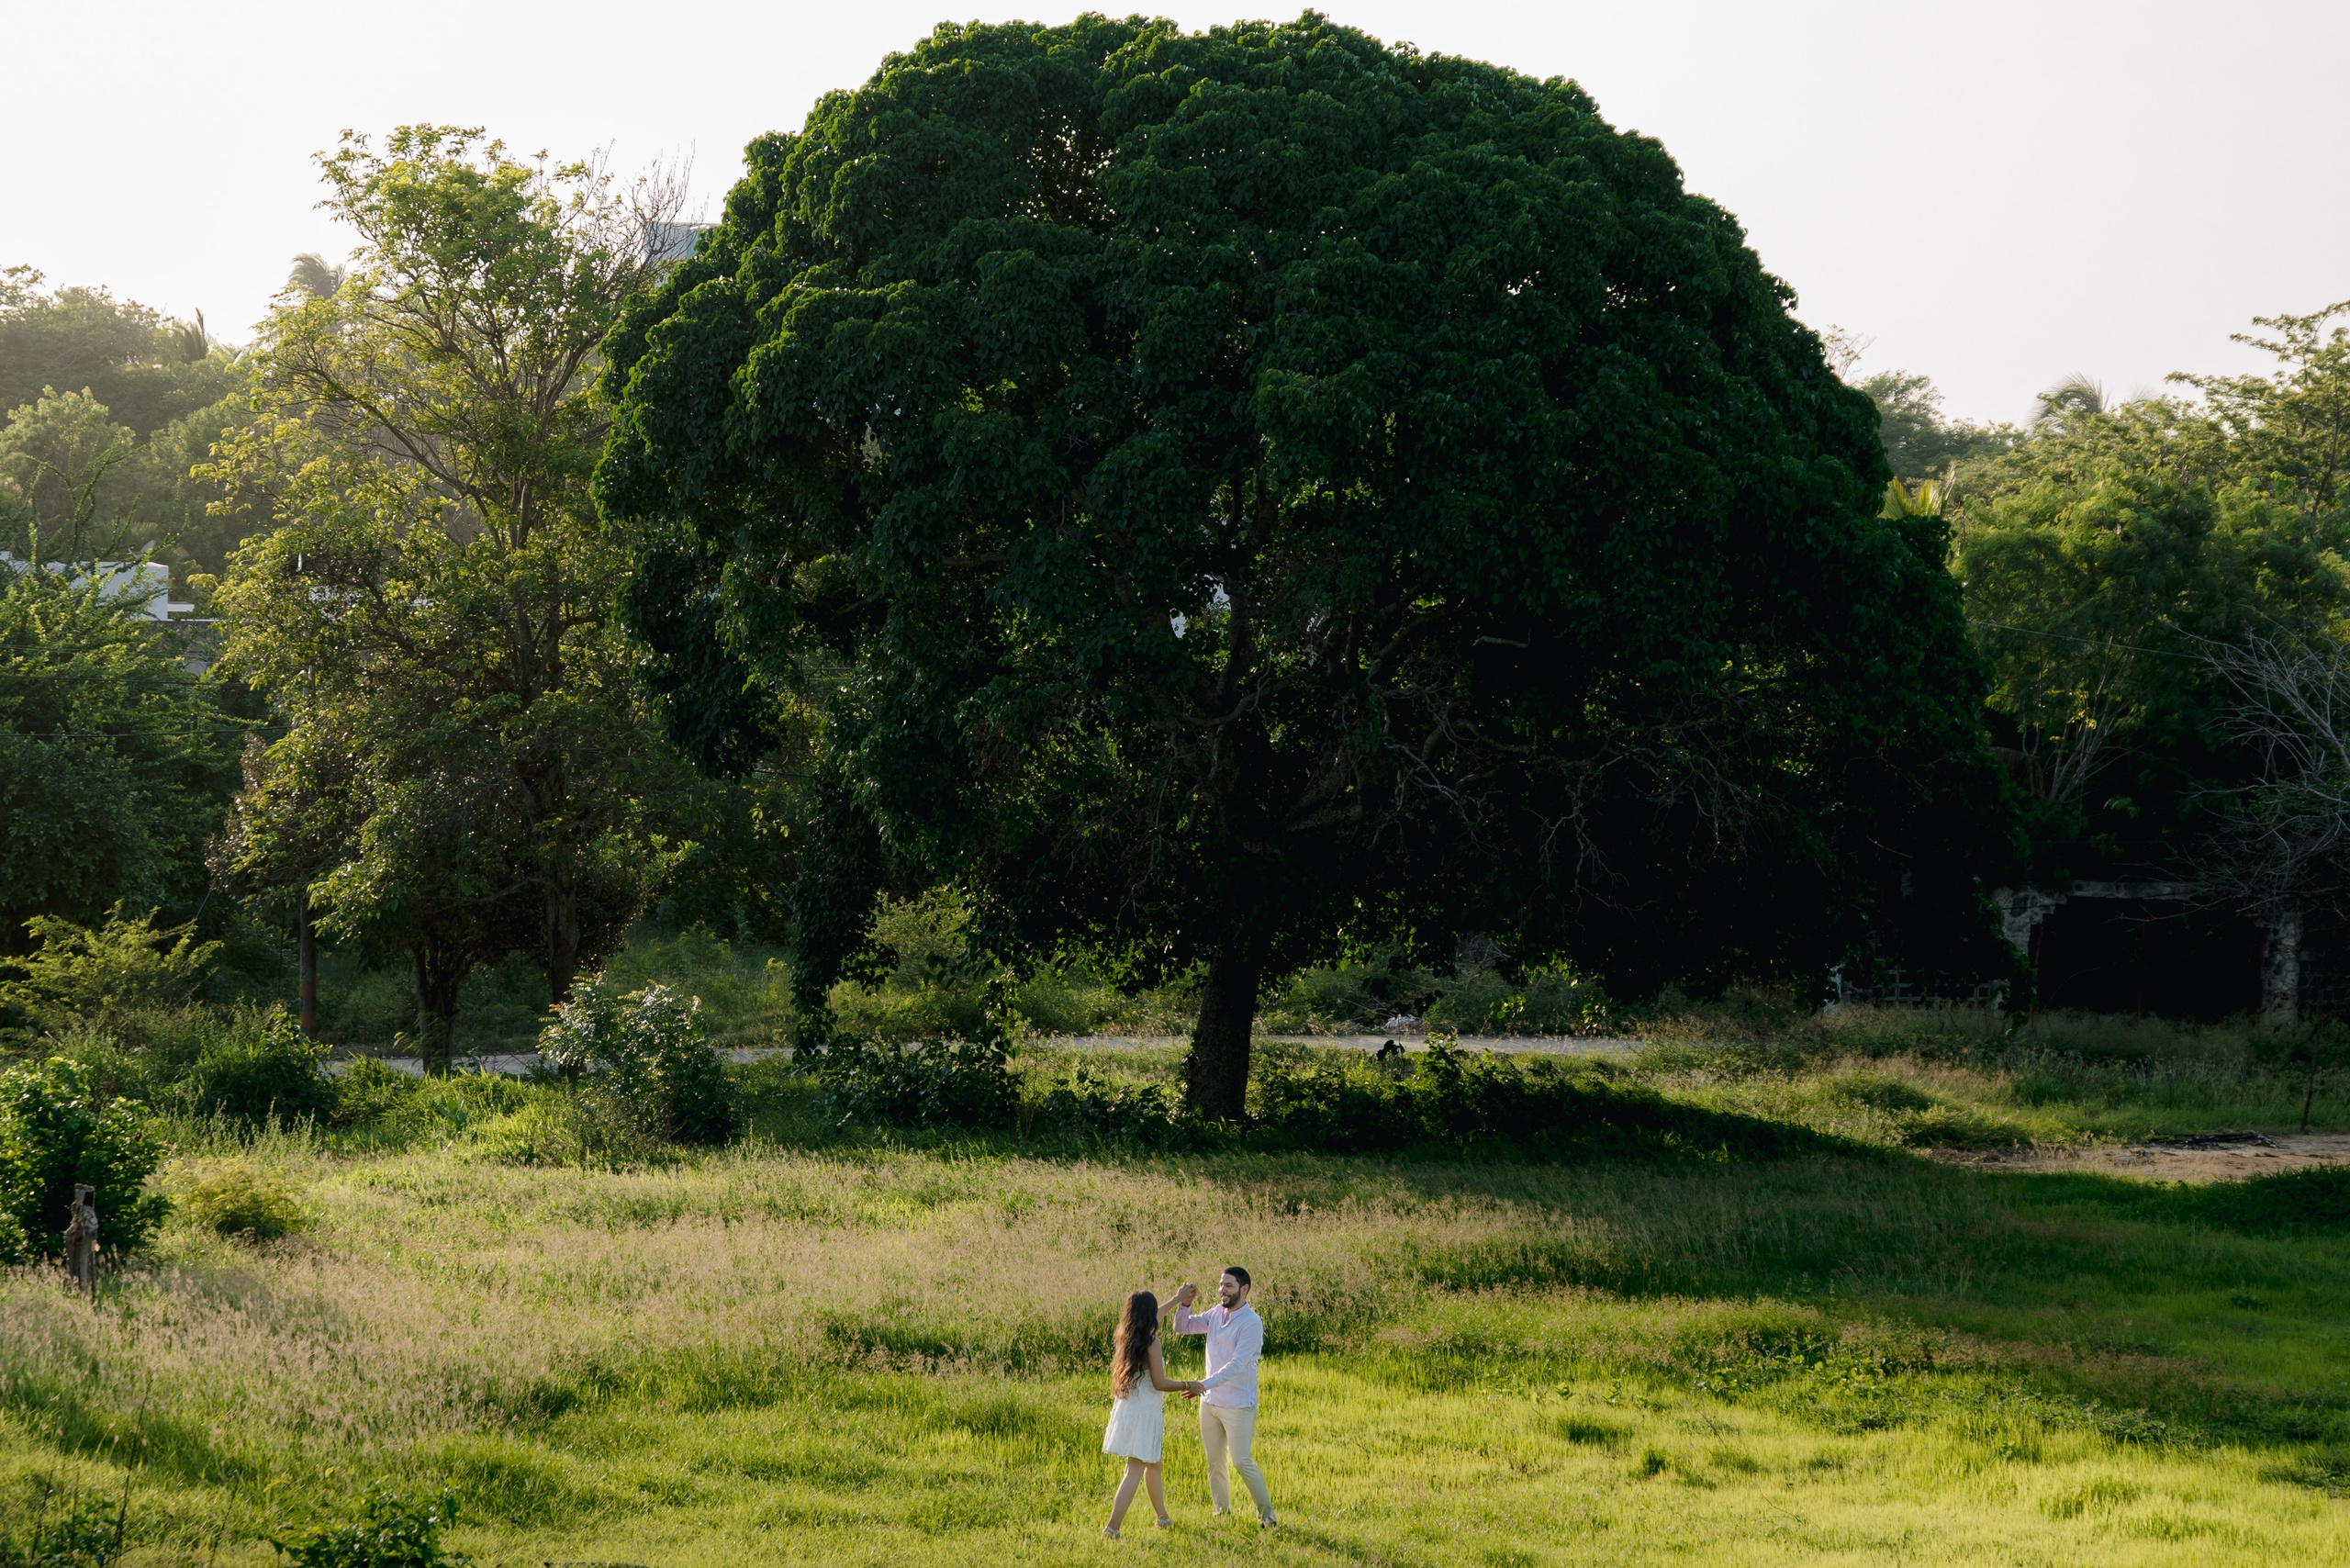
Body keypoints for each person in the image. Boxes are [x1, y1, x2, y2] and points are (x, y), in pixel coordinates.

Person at [1170, 1267, 1277, 1527]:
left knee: (1241, 1461)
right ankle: (1222, 1514)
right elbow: (1181, 1327)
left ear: (1244, 1289)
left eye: (1228, 1286)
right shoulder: (1217, 1313)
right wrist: (1184, 1303)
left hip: (1238, 1405)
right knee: (1214, 1463)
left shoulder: (1252, 1323)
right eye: (1220, 1285)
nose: (1222, 1290)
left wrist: (1201, 1384)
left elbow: (1237, 1365)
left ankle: (1267, 1516)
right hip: (1210, 1405)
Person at [1102, 1289, 1204, 1539]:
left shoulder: (1127, 1335)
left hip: (1130, 1407)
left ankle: (1163, 1517)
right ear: (1149, 1315)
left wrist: (1176, 1299)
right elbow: (1159, 1383)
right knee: (1134, 1469)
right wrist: (1188, 1384)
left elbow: (1154, 1315)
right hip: (1145, 1412)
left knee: (1153, 1465)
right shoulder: (1151, 1343)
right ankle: (1112, 1528)